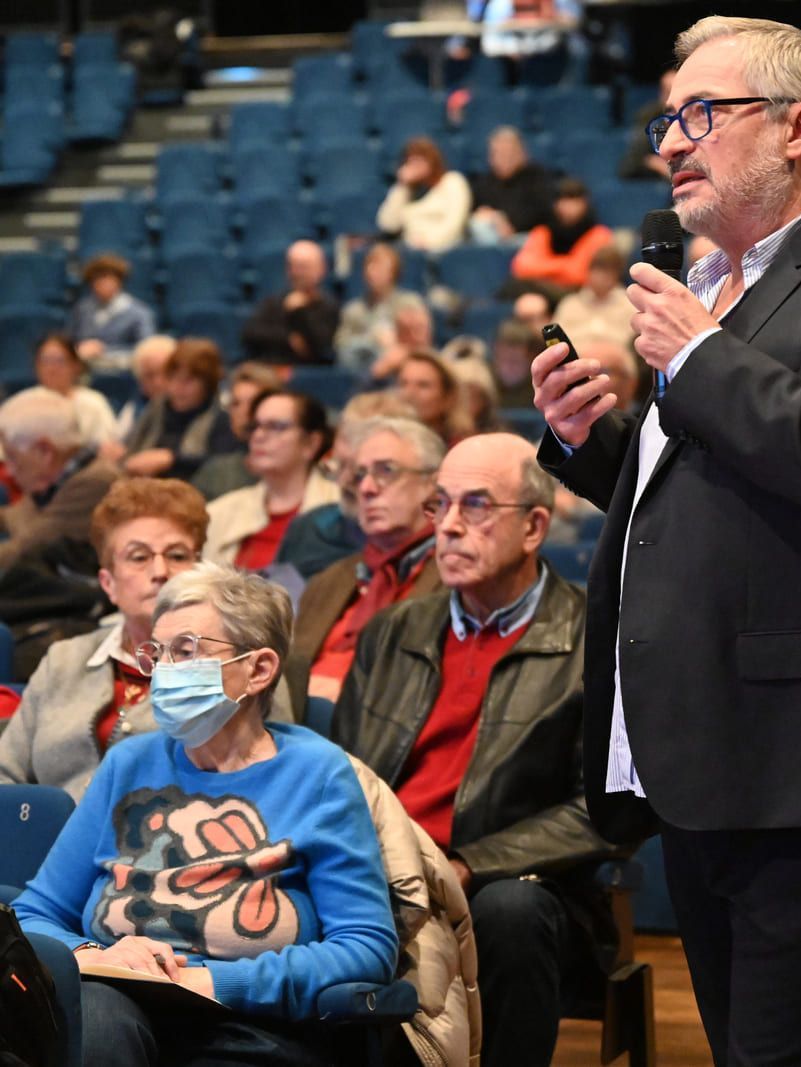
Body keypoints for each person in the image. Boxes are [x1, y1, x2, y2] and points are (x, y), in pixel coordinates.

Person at [533, 17, 801, 1063]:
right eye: (666, 120)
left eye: (701, 115)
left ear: (798, 127)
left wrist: (703, 353)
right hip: (708, 759)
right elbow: (718, 485)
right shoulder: (722, 287)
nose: (671, 143)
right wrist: (599, 442)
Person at [12, 562, 398, 1064]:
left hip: (251, 1023)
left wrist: (216, 980)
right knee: (98, 1017)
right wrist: (95, 955)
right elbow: (34, 912)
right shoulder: (129, 761)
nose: (163, 671)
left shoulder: (319, 774)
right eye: (157, 653)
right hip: (118, 1003)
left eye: (187, 651)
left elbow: (366, 947)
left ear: (259, 669)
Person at [333, 433, 618, 1067]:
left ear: (535, 527)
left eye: (477, 506)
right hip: (385, 867)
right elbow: (339, 771)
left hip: (517, 887)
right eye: (441, 505)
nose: (451, 528)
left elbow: (609, 806)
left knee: (510, 909)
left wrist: (464, 865)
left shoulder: (596, 639)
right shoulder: (394, 630)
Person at [0, 478, 207, 799]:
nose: (160, 571)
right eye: (138, 557)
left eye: (178, 556)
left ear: (201, 571)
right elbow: (5, 771)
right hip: (52, 844)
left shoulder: (236, 666)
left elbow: (267, 782)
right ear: (108, 583)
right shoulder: (63, 659)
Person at [285, 417, 443, 711]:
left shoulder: (455, 578)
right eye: (359, 475)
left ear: (432, 484)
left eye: (386, 471)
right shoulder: (329, 580)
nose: (367, 488)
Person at [275, 391, 419, 580]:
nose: (343, 482)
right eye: (339, 466)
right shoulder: (308, 527)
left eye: (358, 473)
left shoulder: (418, 548)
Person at [202, 390, 339, 569]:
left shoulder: (342, 510)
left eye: (276, 427)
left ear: (312, 443)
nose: (258, 436)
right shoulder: (218, 514)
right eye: (254, 426)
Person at [0, 389, 118, 573]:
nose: (9, 469)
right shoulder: (56, 476)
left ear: (45, 451)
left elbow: (24, 549)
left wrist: (25, 519)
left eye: (13, 457)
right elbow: (16, 515)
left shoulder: (94, 482)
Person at [117, 338, 239, 480]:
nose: (177, 388)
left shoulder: (221, 418)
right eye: (172, 378)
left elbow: (221, 467)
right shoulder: (158, 407)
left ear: (207, 385)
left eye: (188, 381)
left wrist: (172, 460)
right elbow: (132, 448)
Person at [190, 362, 283, 503]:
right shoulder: (214, 473)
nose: (244, 412)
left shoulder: (295, 467)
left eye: (254, 402)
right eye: (236, 404)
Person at [11, 334, 118, 450]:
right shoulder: (21, 403)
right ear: (36, 366)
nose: (52, 368)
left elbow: (108, 447)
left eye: (60, 360)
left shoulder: (94, 402)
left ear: (76, 365)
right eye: (46, 360)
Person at [240, 240, 340, 365]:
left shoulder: (329, 307)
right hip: (271, 369)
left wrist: (299, 312)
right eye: (293, 266)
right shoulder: (274, 302)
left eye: (304, 267)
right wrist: (288, 339)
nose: (298, 273)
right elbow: (250, 334)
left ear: (321, 269)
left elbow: (321, 346)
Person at [510, 177, 616, 294]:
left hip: (579, 294)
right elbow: (521, 267)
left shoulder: (599, 234)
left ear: (585, 204)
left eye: (574, 200)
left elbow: (579, 274)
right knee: (517, 289)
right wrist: (563, 266)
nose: (568, 207)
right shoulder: (544, 231)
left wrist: (544, 268)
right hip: (540, 289)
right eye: (564, 200)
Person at [334, 243, 423, 375]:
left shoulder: (409, 303)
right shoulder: (353, 309)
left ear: (393, 272)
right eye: (370, 267)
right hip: (363, 369)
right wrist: (371, 339)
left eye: (380, 268)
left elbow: (421, 343)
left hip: (401, 368)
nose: (373, 272)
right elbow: (340, 344)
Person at [378, 136, 472, 254]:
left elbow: (455, 224)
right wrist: (402, 186)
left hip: (445, 251)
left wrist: (429, 242)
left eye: (420, 160)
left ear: (432, 161)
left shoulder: (452, 181)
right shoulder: (406, 191)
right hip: (410, 251)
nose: (415, 166)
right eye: (410, 161)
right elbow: (388, 225)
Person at [469, 126, 555, 245]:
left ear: (522, 153)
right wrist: (495, 217)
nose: (504, 158)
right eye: (498, 153)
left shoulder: (538, 178)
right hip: (493, 238)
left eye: (509, 152)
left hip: (528, 239)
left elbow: (542, 215)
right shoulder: (484, 182)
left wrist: (506, 223)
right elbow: (475, 211)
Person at [68, 254, 156, 364]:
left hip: (123, 373)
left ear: (119, 280)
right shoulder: (82, 309)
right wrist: (79, 350)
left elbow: (147, 350)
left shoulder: (140, 312)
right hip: (84, 370)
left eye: (107, 278)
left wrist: (104, 351)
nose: (101, 283)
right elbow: (68, 344)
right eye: (96, 279)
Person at [553, 243, 638, 354]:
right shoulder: (570, 304)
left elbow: (634, 344)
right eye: (597, 270)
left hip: (615, 366)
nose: (601, 277)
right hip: (576, 364)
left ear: (616, 275)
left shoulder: (629, 304)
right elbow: (556, 343)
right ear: (589, 271)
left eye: (607, 272)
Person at [111, 335, 174, 449]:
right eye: (149, 375)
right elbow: (119, 441)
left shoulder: (191, 408)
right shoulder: (135, 406)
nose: (158, 383)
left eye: (165, 373)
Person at [398, 350, 473, 444]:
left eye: (423, 385)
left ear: (448, 397)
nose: (409, 393)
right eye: (403, 384)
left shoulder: (461, 447)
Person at [619, 69, 676, 181]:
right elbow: (632, 163)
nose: (672, 98)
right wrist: (656, 164)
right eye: (668, 92)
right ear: (661, 94)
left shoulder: (694, 117)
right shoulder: (649, 118)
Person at [492, 319, 546, 408]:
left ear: (532, 359)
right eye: (503, 360)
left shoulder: (544, 393)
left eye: (515, 361)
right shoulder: (485, 388)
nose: (508, 367)